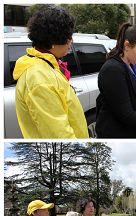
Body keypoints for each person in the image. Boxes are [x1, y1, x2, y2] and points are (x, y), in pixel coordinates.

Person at [13, 5, 88, 138]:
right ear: (55, 40)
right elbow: (59, 135)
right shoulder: (39, 79)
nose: (71, 41)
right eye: (69, 36)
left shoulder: (47, 65)